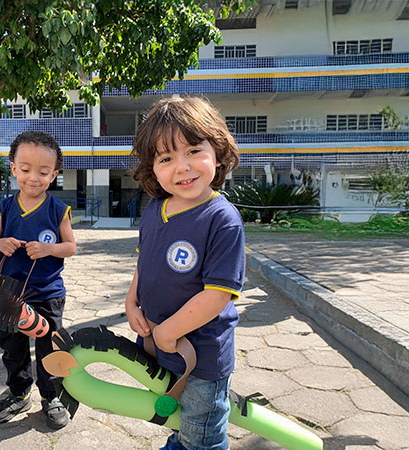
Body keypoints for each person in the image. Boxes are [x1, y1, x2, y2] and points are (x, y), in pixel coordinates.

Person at [125, 97, 244, 450]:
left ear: (218, 153)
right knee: (180, 416)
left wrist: (168, 332)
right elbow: (142, 260)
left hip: (201, 355)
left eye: (193, 151)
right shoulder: (155, 208)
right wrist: (132, 302)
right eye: (166, 158)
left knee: (202, 432)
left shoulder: (222, 220)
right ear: (153, 168)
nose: (182, 167)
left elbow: (216, 295)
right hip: (162, 343)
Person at [0, 130, 76, 429]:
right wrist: (1, 244)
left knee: (49, 345)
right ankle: (19, 391)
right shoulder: (4, 207)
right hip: (7, 292)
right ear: (13, 168)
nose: (33, 177)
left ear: (55, 174)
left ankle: (51, 396)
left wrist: (49, 249)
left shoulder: (58, 210)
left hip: (47, 292)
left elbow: (70, 247)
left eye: (43, 171)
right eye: (25, 169)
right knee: (12, 347)